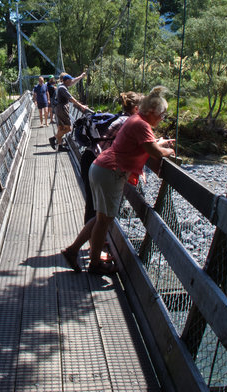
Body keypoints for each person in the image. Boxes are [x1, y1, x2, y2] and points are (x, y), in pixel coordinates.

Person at [61, 86, 175, 275]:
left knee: (101, 218)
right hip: (110, 172)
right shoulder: (141, 124)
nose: (163, 118)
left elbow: (146, 145)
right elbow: (154, 152)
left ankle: (73, 251)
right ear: (152, 111)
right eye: (162, 114)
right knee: (104, 220)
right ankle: (93, 262)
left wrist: (159, 144)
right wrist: (168, 151)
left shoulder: (135, 120)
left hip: (100, 168)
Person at [80, 91, 143, 225]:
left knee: (95, 204)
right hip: (94, 161)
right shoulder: (128, 122)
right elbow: (143, 143)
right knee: (94, 204)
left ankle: (95, 239)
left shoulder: (120, 117)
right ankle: (93, 242)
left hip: (89, 158)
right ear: (136, 108)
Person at [49, 74, 88, 151]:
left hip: (59, 108)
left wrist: (80, 76)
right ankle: (53, 139)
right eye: (70, 81)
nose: (71, 82)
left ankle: (60, 146)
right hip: (62, 109)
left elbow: (73, 81)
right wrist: (81, 106)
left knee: (61, 128)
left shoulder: (61, 85)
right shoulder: (63, 88)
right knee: (68, 129)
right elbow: (71, 99)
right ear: (66, 81)